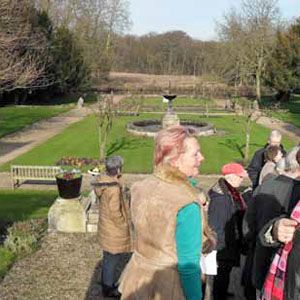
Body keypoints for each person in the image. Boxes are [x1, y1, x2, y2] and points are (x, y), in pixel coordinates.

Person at [118, 125, 215, 300]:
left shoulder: (140, 187)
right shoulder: (186, 205)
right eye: (195, 154)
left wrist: (191, 188)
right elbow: (189, 266)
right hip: (168, 287)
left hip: (137, 278)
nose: (202, 157)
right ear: (175, 160)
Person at [245, 146, 300, 299]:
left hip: (266, 270)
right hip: (280, 280)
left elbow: (248, 227)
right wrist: (275, 228)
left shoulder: (267, 186)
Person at [208, 163, 248, 300]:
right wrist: (220, 246)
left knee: (226, 271)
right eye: (240, 177)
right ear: (230, 177)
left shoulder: (230, 191)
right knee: (222, 272)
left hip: (230, 239)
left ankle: (222, 292)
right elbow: (217, 224)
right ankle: (219, 295)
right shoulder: (222, 198)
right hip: (224, 243)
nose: (242, 179)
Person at [94, 156, 132, 298]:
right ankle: (108, 289)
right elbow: (115, 211)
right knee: (112, 258)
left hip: (106, 225)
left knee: (107, 257)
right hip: (114, 229)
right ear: (117, 169)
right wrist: (123, 224)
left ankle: (105, 282)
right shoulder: (113, 189)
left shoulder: (103, 182)